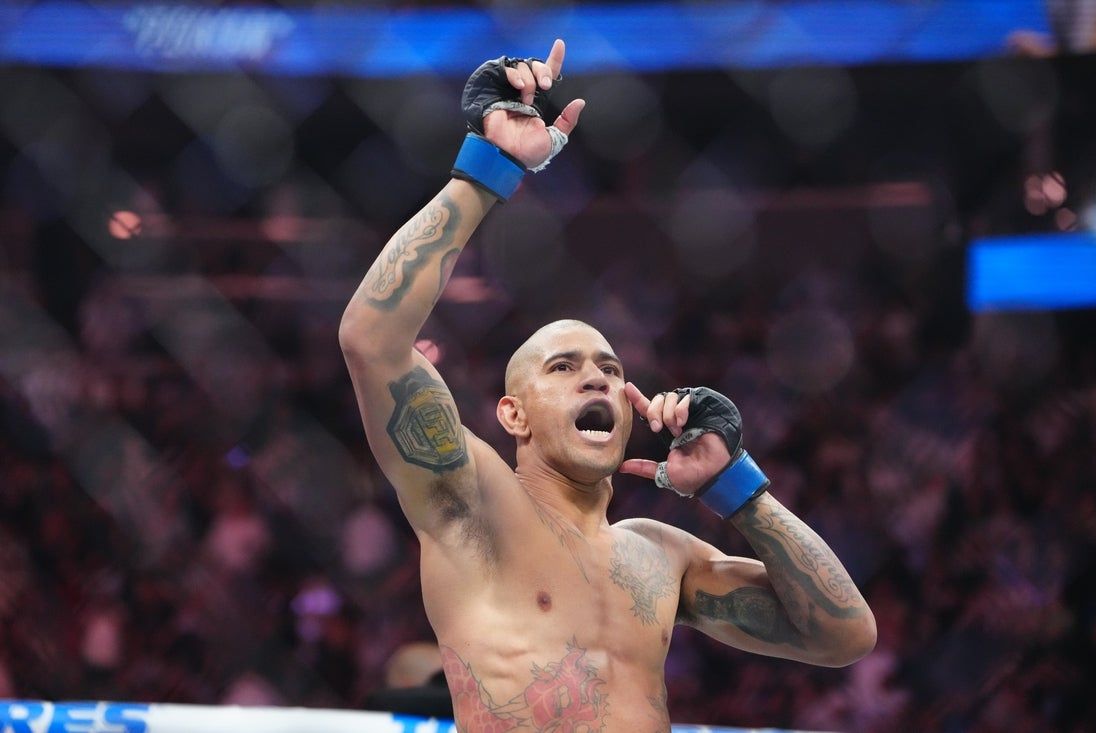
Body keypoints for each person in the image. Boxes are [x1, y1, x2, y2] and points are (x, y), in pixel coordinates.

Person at [339, 39, 876, 732]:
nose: (596, 375)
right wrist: (485, 169)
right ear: (513, 414)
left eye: (611, 369)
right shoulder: (473, 504)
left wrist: (736, 486)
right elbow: (371, 339)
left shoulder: (660, 553)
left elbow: (844, 635)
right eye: (562, 367)